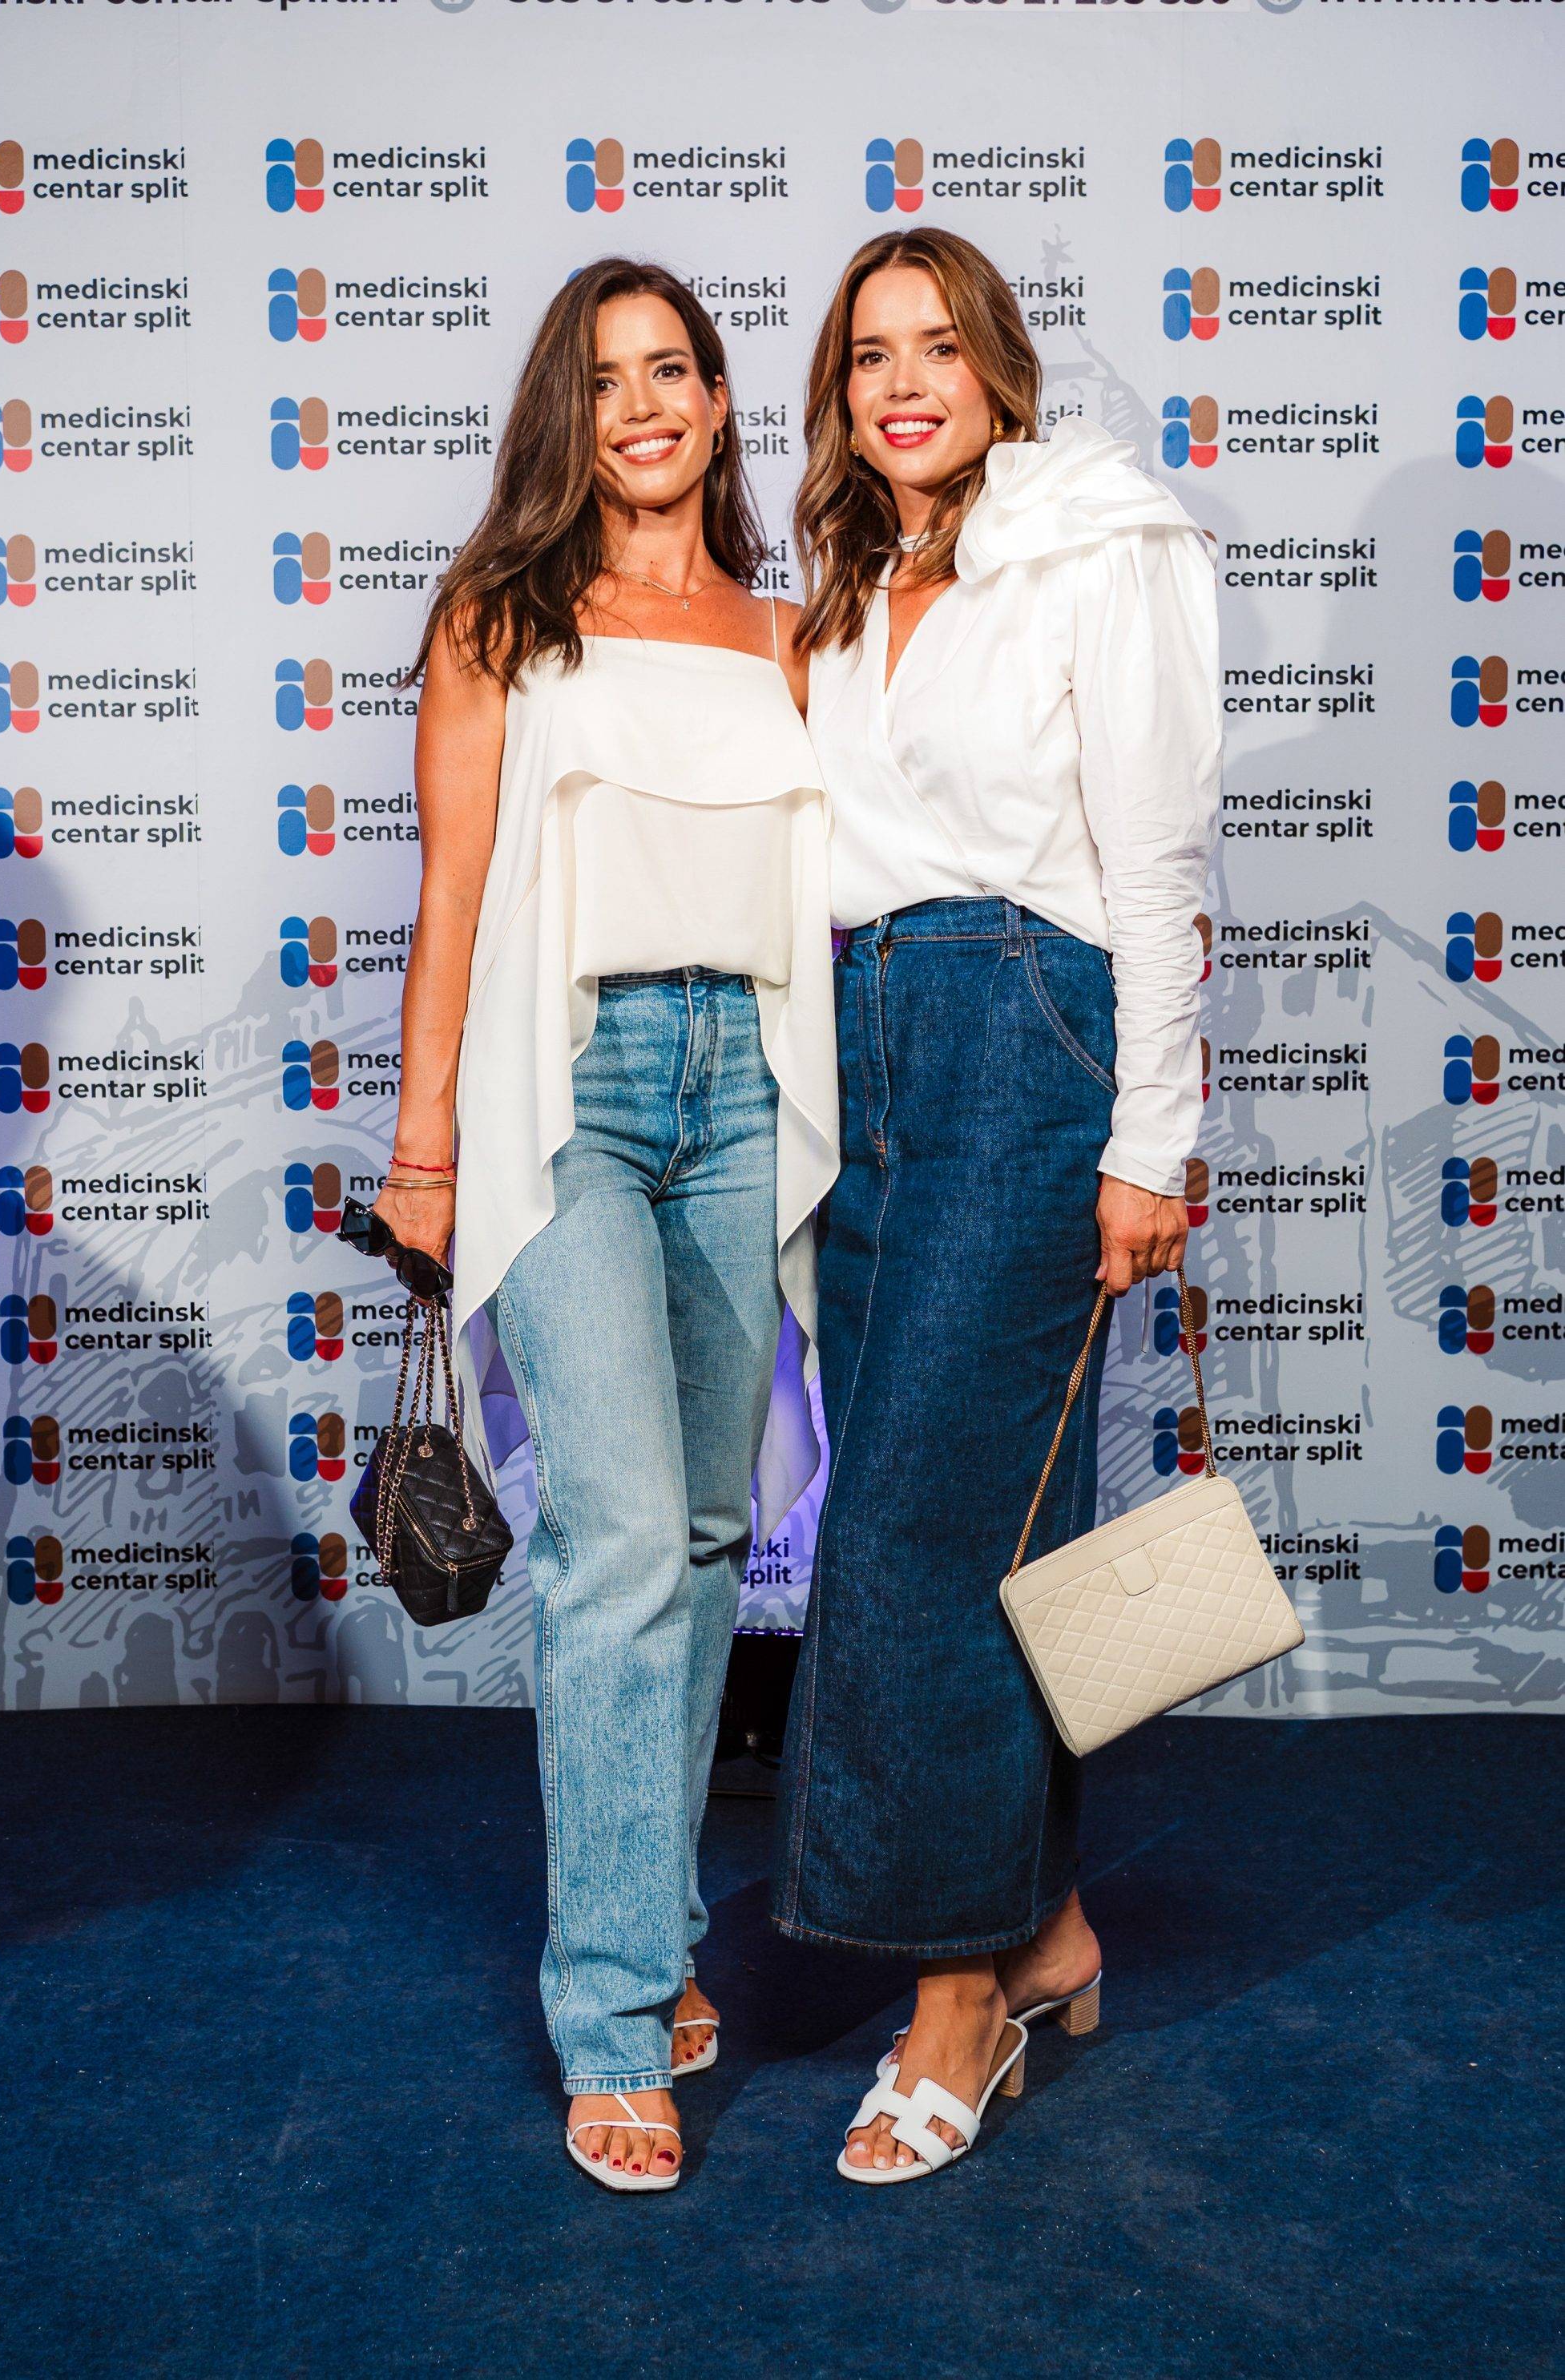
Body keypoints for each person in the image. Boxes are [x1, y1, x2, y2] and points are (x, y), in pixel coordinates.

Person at [372, 258, 837, 2192]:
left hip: (750, 1090)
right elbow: (454, 889)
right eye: (607, 378)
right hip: (569, 1089)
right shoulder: (503, 616)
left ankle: (651, 1919)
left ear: (721, 404)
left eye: (673, 371)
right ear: (569, 416)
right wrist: (421, 1151)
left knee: (714, 1534)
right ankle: (614, 2012)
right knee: (625, 1535)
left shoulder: (795, 636)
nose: (643, 404)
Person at [772, 227, 1221, 2184]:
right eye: (870, 352)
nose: (904, 382)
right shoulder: (845, 587)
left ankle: (958, 1999)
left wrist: (1152, 1137)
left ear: (999, 370)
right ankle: (1047, 1935)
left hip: (1030, 1035)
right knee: (972, 1517)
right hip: (863, 1050)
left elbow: (1159, 862)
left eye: (938, 344)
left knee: (916, 1540)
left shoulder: (1095, 542)